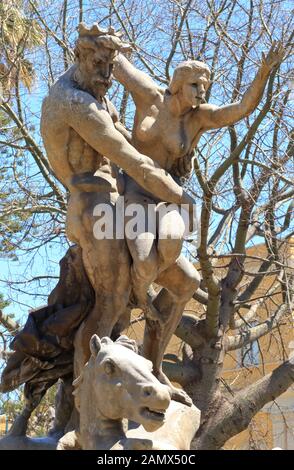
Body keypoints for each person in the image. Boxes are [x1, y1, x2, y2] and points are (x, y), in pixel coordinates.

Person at [40, 22, 195, 377]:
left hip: (121, 202)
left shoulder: (95, 91)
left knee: (186, 282)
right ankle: (86, 410)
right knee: (110, 305)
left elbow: (130, 144)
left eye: (111, 66)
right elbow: (131, 160)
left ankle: (152, 370)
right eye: (99, 65)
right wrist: (181, 197)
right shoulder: (74, 103)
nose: (107, 74)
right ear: (79, 56)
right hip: (94, 208)